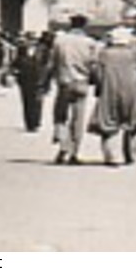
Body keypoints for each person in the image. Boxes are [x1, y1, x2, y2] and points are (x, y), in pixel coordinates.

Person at [88, 28, 136, 166]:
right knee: (131, 122)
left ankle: (111, 156)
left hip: (110, 88)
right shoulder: (134, 53)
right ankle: (130, 152)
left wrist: (99, 87)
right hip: (132, 89)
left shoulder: (105, 54)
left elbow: (97, 72)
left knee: (108, 122)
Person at [48, 15, 98, 164]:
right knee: (78, 119)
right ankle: (74, 152)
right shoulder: (90, 43)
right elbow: (94, 64)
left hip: (64, 82)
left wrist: (46, 81)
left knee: (60, 115)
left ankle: (63, 144)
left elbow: (52, 62)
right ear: (85, 26)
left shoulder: (60, 41)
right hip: (81, 83)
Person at [12, 34, 50, 133]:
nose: (30, 42)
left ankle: (36, 121)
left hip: (39, 78)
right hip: (25, 79)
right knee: (27, 101)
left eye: (32, 39)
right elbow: (16, 63)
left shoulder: (44, 50)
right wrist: (16, 72)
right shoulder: (21, 50)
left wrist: (46, 79)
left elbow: (47, 65)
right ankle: (29, 123)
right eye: (29, 39)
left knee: (38, 101)